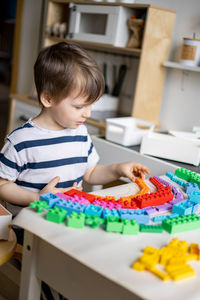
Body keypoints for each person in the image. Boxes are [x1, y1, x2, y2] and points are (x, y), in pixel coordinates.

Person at [0, 41, 150, 218]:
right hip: (28, 224)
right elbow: (2, 185)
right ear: (48, 98)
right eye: (79, 107)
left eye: (91, 105)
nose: (88, 113)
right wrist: (37, 198)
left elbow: (91, 173)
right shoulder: (20, 141)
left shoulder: (80, 133)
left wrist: (117, 169)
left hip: (68, 219)